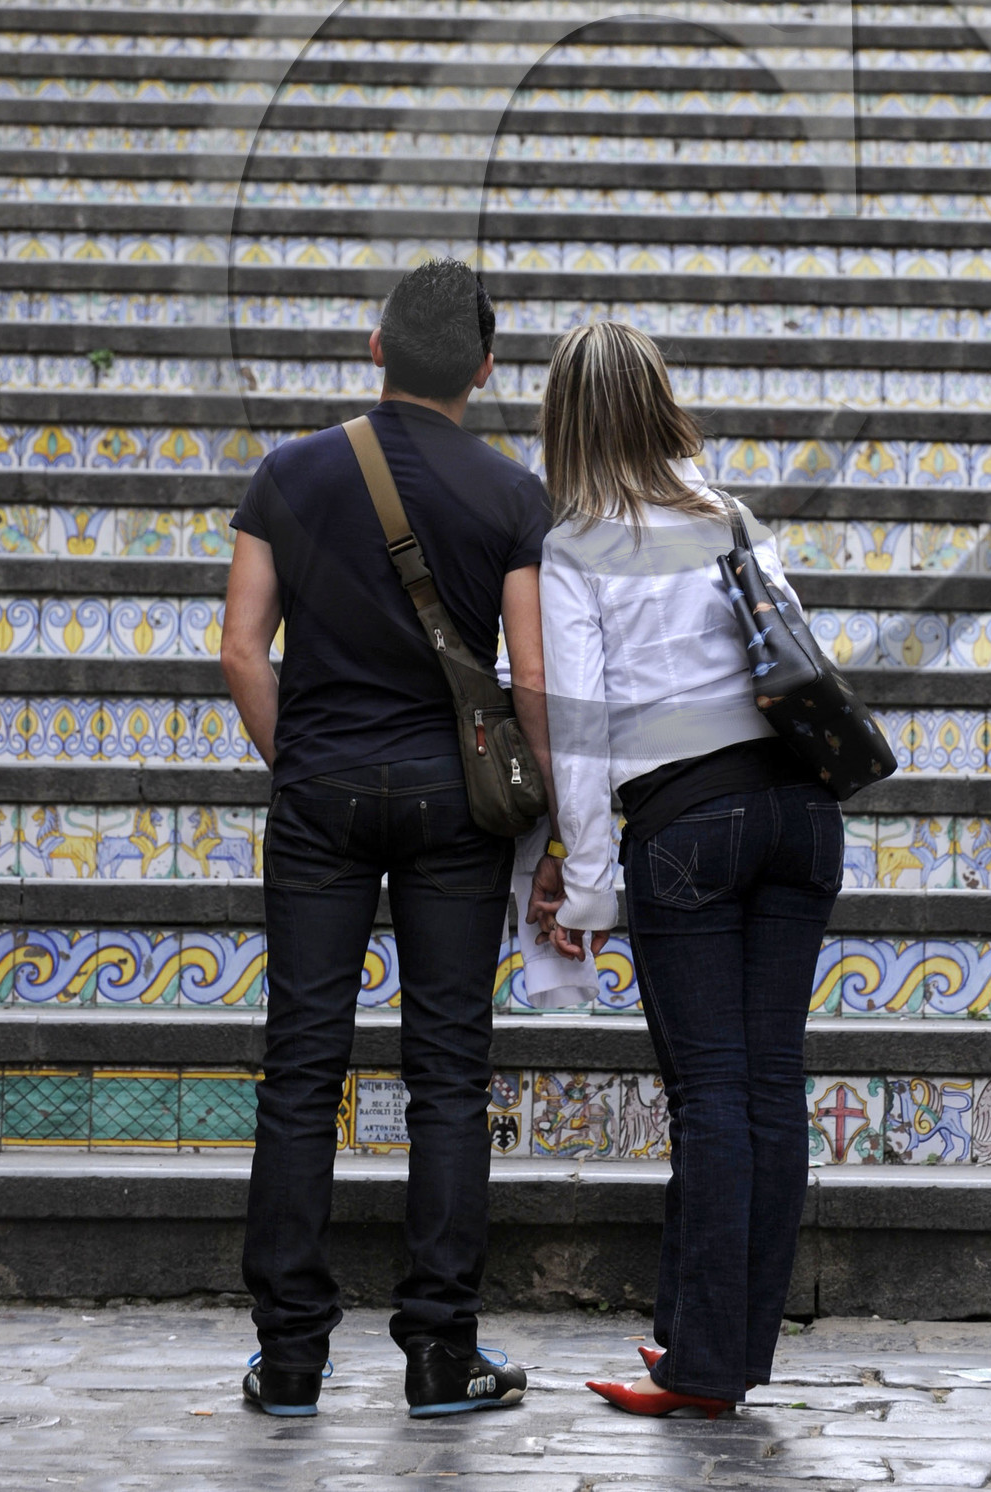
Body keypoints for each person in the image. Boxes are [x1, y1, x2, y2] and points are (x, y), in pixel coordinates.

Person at [221, 259, 562, 1421]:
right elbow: (531, 675)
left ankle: (293, 1357)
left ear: (375, 346)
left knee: (301, 1066)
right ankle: (437, 1352)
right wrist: (551, 815)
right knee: (449, 1074)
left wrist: (302, 759)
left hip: (318, 788)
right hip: (452, 802)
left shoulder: (289, 471)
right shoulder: (515, 491)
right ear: (483, 366)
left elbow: (239, 647)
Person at [534, 322, 842, 1416]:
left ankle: (706, 1367)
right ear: (663, 401)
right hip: (801, 816)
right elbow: (795, 653)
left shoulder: (577, 542)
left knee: (711, 1093)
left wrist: (586, 886)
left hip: (689, 821)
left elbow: (576, 731)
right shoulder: (729, 516)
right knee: (768, 1083)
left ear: (563, 420)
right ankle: (713, 1346)